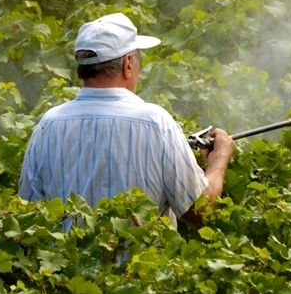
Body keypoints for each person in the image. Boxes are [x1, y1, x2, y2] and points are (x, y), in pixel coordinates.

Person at [18, 12, 235, 231]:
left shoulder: (48, 125)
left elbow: (27, 216)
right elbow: (201, 212)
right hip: (142, 265)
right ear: (128, 63)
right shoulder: (157, 124)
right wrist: (219, 158)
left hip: (65, 265)